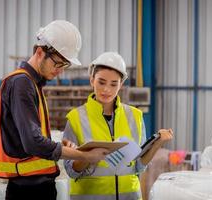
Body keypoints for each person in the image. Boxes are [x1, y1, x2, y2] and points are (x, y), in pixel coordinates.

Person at [0, 20, 108, 200]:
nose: (60, 72)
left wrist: (58, 145)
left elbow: (29, 140)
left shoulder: (32, 84)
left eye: (64, 65)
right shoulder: (21, 84)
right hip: (28, 191)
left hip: (36, 187)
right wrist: (85, 155)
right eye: (58, 64)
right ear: (40, 52)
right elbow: (33, 143)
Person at [63, 52, 174, 200]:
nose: (107, 89)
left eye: (114, 84)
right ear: (92, 80)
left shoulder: (135, 116)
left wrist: (158, 142)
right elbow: (71, 171)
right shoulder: (75, 118)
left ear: (121, 84)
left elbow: (139, 165)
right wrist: (88, 157)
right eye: (101, 82)